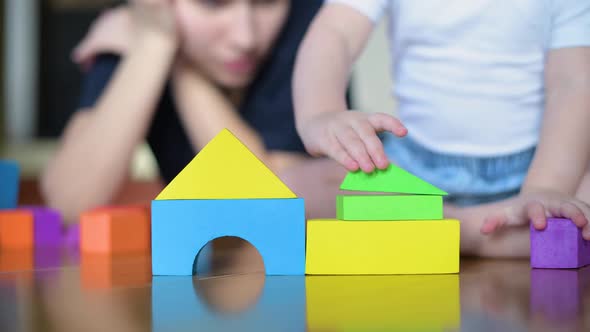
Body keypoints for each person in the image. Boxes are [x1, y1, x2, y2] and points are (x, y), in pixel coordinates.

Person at [292, 0, 590, 256]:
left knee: (578, 209)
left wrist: (545, 187)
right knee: (297, 186)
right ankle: (476, 233)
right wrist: (321, 112)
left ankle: (439, 229)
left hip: (535, 167)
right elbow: (336, 33)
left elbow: (572, 84)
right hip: (411, 169)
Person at [41, 0, 333, 222]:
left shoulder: (313, 26)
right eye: (212, 2)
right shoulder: (147, 25)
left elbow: (271, 204)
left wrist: (179, 65)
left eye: (267, 1)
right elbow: (68, 202)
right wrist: (153, 44)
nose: (246, 38)